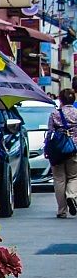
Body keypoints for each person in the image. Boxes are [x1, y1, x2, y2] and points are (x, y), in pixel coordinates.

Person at [49, 87, 77, 218]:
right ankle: (71, 196)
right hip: (74, 149)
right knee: (73, 176)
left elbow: (50, 133)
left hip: (58, 150)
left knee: (59, 179)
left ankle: (62, 210)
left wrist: (47, 149)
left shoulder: (55, 113)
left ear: (60, 99)